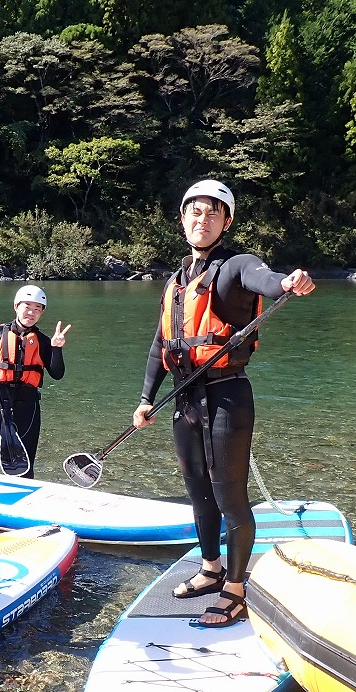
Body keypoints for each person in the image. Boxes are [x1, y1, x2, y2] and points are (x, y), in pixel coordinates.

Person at [132, 180, 315, 627]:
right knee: (197, 492)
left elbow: (266, 280)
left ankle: (236, 589)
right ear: (182, 219)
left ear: (226, 221)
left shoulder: (238, 266)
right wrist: (144, 400)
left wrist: (287, 281)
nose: (202, 219)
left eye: (213, 213)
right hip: (185, 398)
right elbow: (162, 343)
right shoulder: (177, 280)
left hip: (227, 395)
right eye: (194, 212)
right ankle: (211, 569)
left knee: (229, 495)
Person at [0, 284, 70, 479]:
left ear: (41, 313)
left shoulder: (43, 341)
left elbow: (57, 374)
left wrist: (56, 348)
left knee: (23, 468)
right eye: (27, 306)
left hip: (28, 410)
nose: (31, 312)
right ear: (16, 306)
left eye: (37, 309)